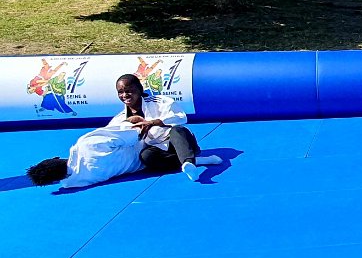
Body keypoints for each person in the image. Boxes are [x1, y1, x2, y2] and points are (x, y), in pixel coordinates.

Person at [27, 73, 221, 187]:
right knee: (147, 157)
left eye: (129, 90)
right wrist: (135, 128)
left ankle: (189, 159)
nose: (125, 95)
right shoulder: (111, 126)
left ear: (140, 89)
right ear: (55, 157)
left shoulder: (160, 101)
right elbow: (122, 134)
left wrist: (152, 122)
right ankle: (192, 162)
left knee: (177, 131)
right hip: (157, 152)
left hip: (178, 141)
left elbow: (181, 118)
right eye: (121, 92)